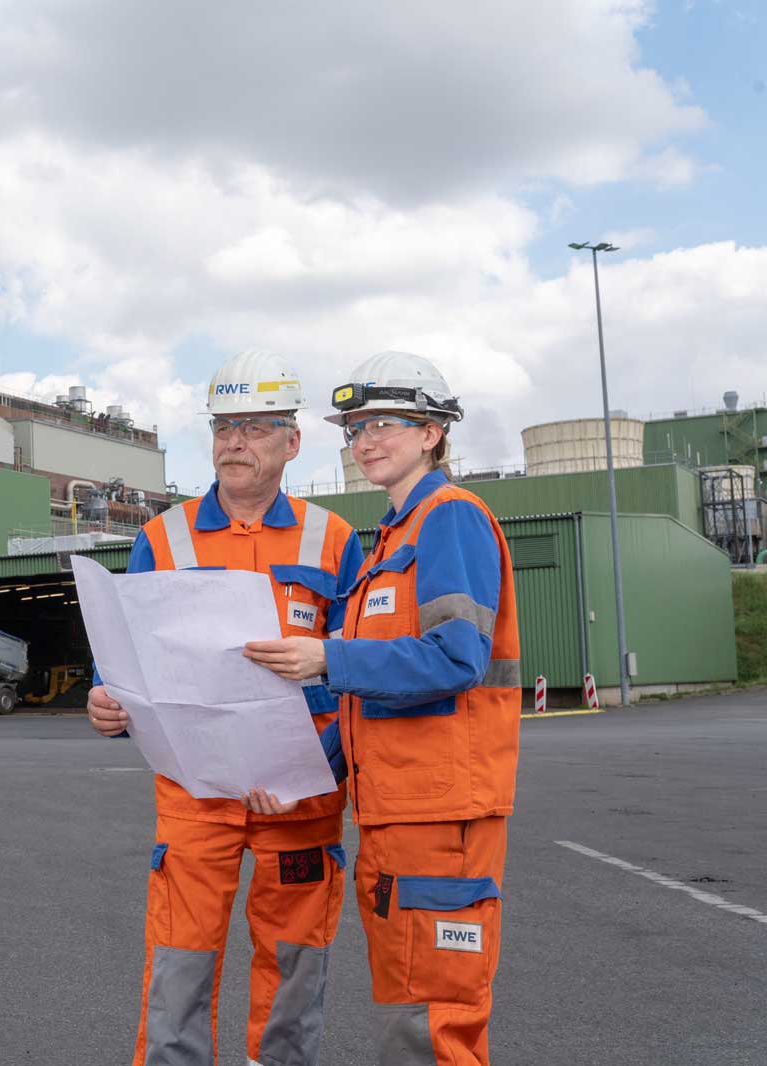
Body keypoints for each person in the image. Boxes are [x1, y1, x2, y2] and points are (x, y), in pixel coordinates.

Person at [244, 351, 521, 1066]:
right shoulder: (389, 542)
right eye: (355, 428)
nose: (366, 441)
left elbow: (457, 658)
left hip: (441, 812)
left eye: (386, 424)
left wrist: (328, 658)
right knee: (410, 996)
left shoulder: (449, 519)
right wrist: (307, 773)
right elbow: (375, 702)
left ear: (432, 432)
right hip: (399, 811)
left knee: (437, 1012)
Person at [88, 350, 364, 1066]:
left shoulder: (333, 541)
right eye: (222, 426)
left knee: (295, 964)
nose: (234, 442)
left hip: (300, 794)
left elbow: (359, 662)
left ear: (291, 442)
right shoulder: (162, 537)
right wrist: (105, 697)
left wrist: (319, 768)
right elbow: (125, 650)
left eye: (254, 427)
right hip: (196, 790)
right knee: (179, 960)